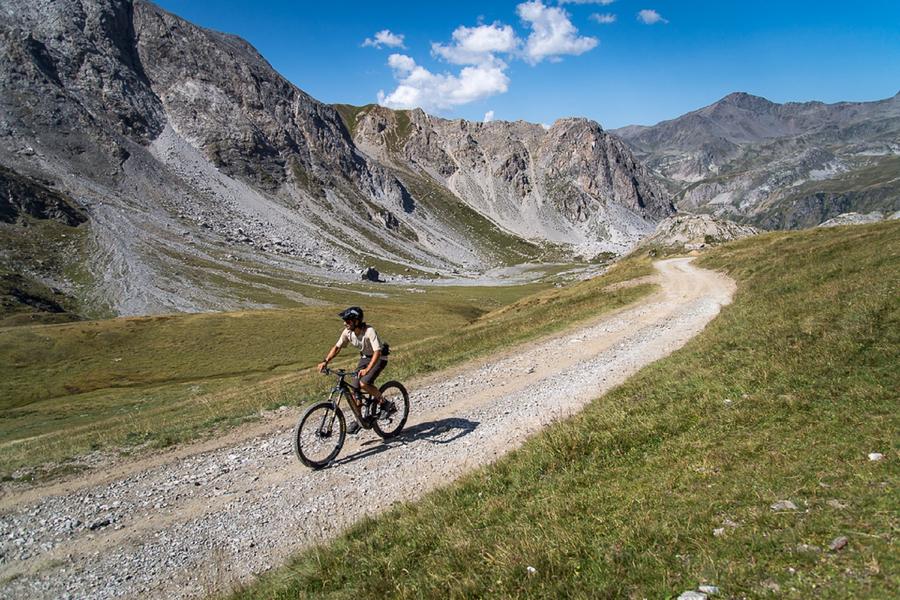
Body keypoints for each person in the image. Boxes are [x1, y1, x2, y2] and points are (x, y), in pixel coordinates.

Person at [317, 306, 393, 433]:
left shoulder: (369, 331)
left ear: (356, 321)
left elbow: (377, 352)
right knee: (354, 387)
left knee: (364, 383)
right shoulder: (347, 332)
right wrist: (325, 361)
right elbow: (337, 347)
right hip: (365, 358)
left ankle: (385, 403)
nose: (344, 323)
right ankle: (359, 420)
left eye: (348, 321)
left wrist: (367, 370)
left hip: (379, 358)